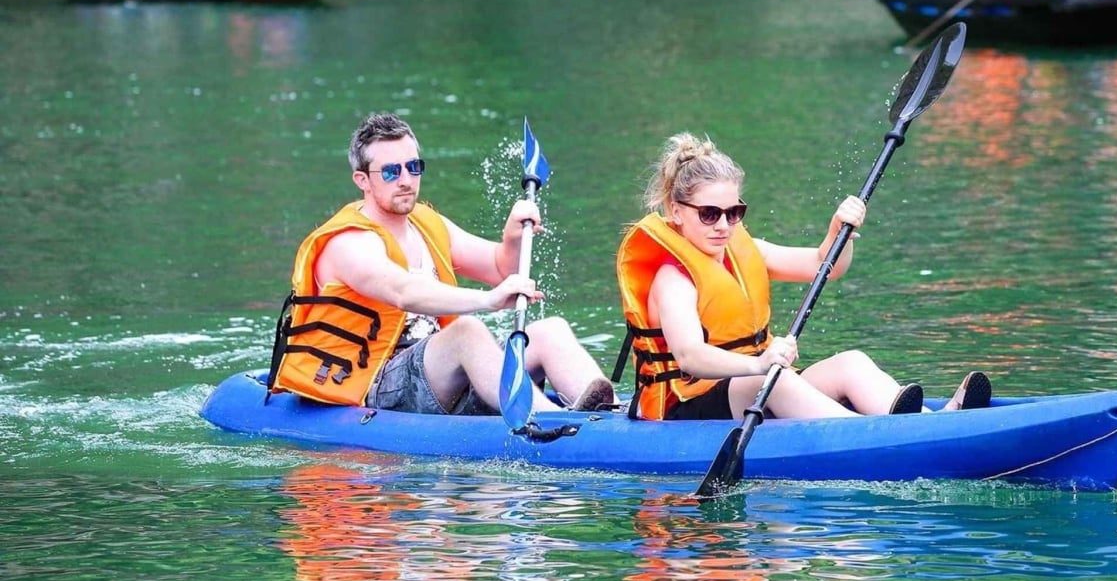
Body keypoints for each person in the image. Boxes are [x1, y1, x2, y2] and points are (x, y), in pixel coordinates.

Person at [616, 132, 990, 421]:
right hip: (687, 406)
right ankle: (872, 435)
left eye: (734, 213)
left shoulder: (747, 252)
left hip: (756, 384)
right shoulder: (673, 279)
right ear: (676, 211)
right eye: (709, 214)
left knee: (851, 362)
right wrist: (759, 364)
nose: (724, 225)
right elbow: (690, 357)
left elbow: (826, 266)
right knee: (769, 380)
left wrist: (838, 233)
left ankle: (934, 422)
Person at [269, 112, 617, 416]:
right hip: (373, 380)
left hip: (440, 374)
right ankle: (551, 423)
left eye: (413, 167)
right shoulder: (349, 242)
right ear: (363, 180)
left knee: (549, 330)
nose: (406, 180)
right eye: (390, 172)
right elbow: (403, 291)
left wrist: (512, 236)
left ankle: (610, 417)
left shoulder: (427, 223)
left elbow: (500, 269)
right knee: (466, 332)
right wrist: (488, 300)